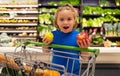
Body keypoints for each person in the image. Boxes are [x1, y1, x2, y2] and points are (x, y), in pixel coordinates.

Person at [42, 4, 91, 76]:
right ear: (56, 22)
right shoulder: (53, 35)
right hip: (55, 73)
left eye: (69, 19)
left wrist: (84, 48)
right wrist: (45, 44)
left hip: (73, 73)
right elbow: (45, 51)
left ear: (74, 21)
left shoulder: (78, 36)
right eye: (61, 19)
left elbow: (85, 57)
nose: (65, 22)